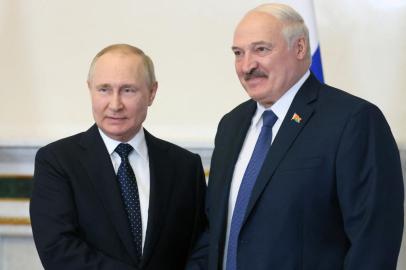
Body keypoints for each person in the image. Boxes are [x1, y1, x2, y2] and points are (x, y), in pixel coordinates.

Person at [187, 3, 404, 270]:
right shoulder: (231, 125)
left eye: (261, 49)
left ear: (300, 48)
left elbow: (374, 242)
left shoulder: (353, 120)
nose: (247, 66)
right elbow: (217, 227)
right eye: (238, 53)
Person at [30, 44, 206, 270]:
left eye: (128, 90)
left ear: (151, 92)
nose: (115, 104)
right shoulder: (56, 161)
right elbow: (59, 249)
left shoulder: (185, 166)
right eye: (104, 89)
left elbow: (201, 245)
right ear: (90, 90)